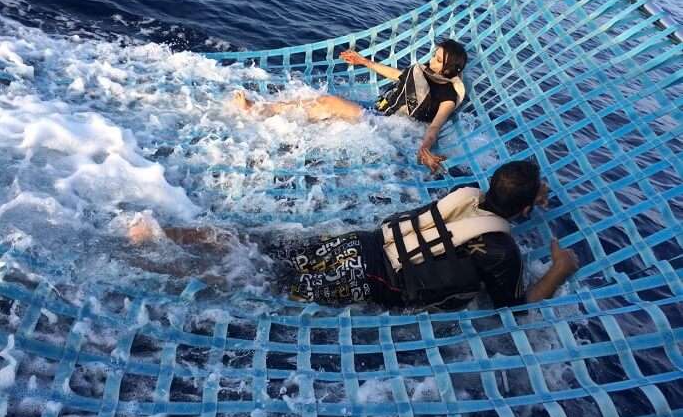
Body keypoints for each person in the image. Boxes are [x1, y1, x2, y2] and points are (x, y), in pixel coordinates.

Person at [128, 160, 579, 311]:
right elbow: (514, 310)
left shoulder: (466, 193)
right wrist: (559, 269)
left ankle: (156, 233)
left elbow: (489, 205)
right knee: (258, 281)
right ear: (523, 209)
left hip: (360, 241)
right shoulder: (502, 250)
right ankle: (145, 268)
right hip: (372, 277)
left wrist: (523, 195)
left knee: (252, 246)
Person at [232, 39, 468, 173]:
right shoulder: (422, 73)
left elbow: (435, 127)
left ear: (449, 69)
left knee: (328, 102)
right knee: (323, 114)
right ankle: (275, 124)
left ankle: (258, 110)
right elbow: (398, 75)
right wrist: (364, 61)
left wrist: (425, 149)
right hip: (378, 115)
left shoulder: (446, 96)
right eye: (435, 54)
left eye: (438, 60)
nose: (431, 60)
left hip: (389, 127)